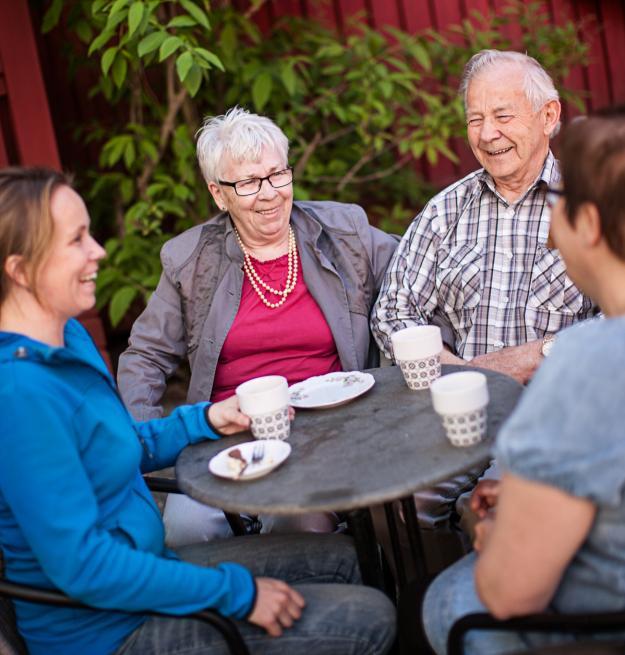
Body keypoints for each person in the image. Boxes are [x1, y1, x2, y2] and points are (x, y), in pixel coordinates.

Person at [0, 167, 397, 655]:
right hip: (109, 631)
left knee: (351, 558)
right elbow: (84, 567)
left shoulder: (66, 339)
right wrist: (237, 594)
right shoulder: (20, 393)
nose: (98, 251)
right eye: (77, 240)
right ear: (19, 270)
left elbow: (118, 444)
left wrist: (207, 419)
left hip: (147, 572)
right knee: (370, 618)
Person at [117, 106, 398, 544]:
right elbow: (145, 356)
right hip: (228, 437)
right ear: (219, 194)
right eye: (248, 183)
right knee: (184, 532)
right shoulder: (189, 260)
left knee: (299, 525)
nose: (269, 194)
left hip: (325, 430)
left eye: (277, 175)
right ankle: (228, 611)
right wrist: (142, 443)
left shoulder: (346, 232)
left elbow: (416, 275)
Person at [370, 49, 596, 544]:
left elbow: (615, 320)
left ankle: (491, 609)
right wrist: (449, 368)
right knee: (397, 506)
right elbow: (392, 310)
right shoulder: (445, 211)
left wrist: (544, 353)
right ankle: (423, 614)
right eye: (475, 119)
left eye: (502, 115)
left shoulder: (588, 204)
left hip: (553, 419)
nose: (487, 133)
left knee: (501, 515)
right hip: (454, 418)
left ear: (549, 115)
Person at [422, 107, 625, 654]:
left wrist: (492, 535)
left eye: (558, 203)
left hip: (600, 626)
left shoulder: (587, 360)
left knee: (450, 599)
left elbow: (511, 594)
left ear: (586, 224)